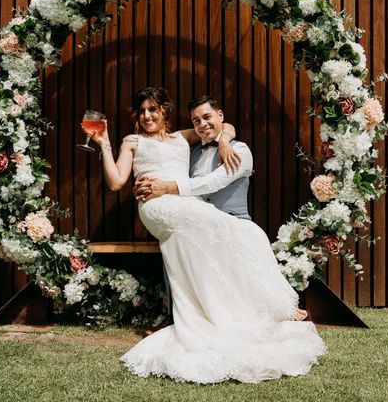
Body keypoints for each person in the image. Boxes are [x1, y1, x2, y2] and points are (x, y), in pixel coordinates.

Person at [91, 87, 326, 384]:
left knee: (243, 232)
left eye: (153, 109)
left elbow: (222, 125)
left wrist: (225, 140)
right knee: (237, 229)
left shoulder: (183, 137)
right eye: (142, 111)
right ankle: (265, 306)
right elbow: (115, 182)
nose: (147, 115)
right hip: (157, 206)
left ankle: (246, 310)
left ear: (165, 112)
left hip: (188, 203)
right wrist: (105, 143)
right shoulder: (133, 141)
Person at [132, 95, 308, 324]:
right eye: (196, 121)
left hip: (232, 218)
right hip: (196, 220)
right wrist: (144, 184)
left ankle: (273, 306)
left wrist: (167, 187)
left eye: (207, 117)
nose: (202, 124)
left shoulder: (240, 151)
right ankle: (183, 314)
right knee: (178, 239)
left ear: (220, 116)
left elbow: (212, 182)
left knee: (250, 235)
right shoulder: (191, 153)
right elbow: (170, 170)